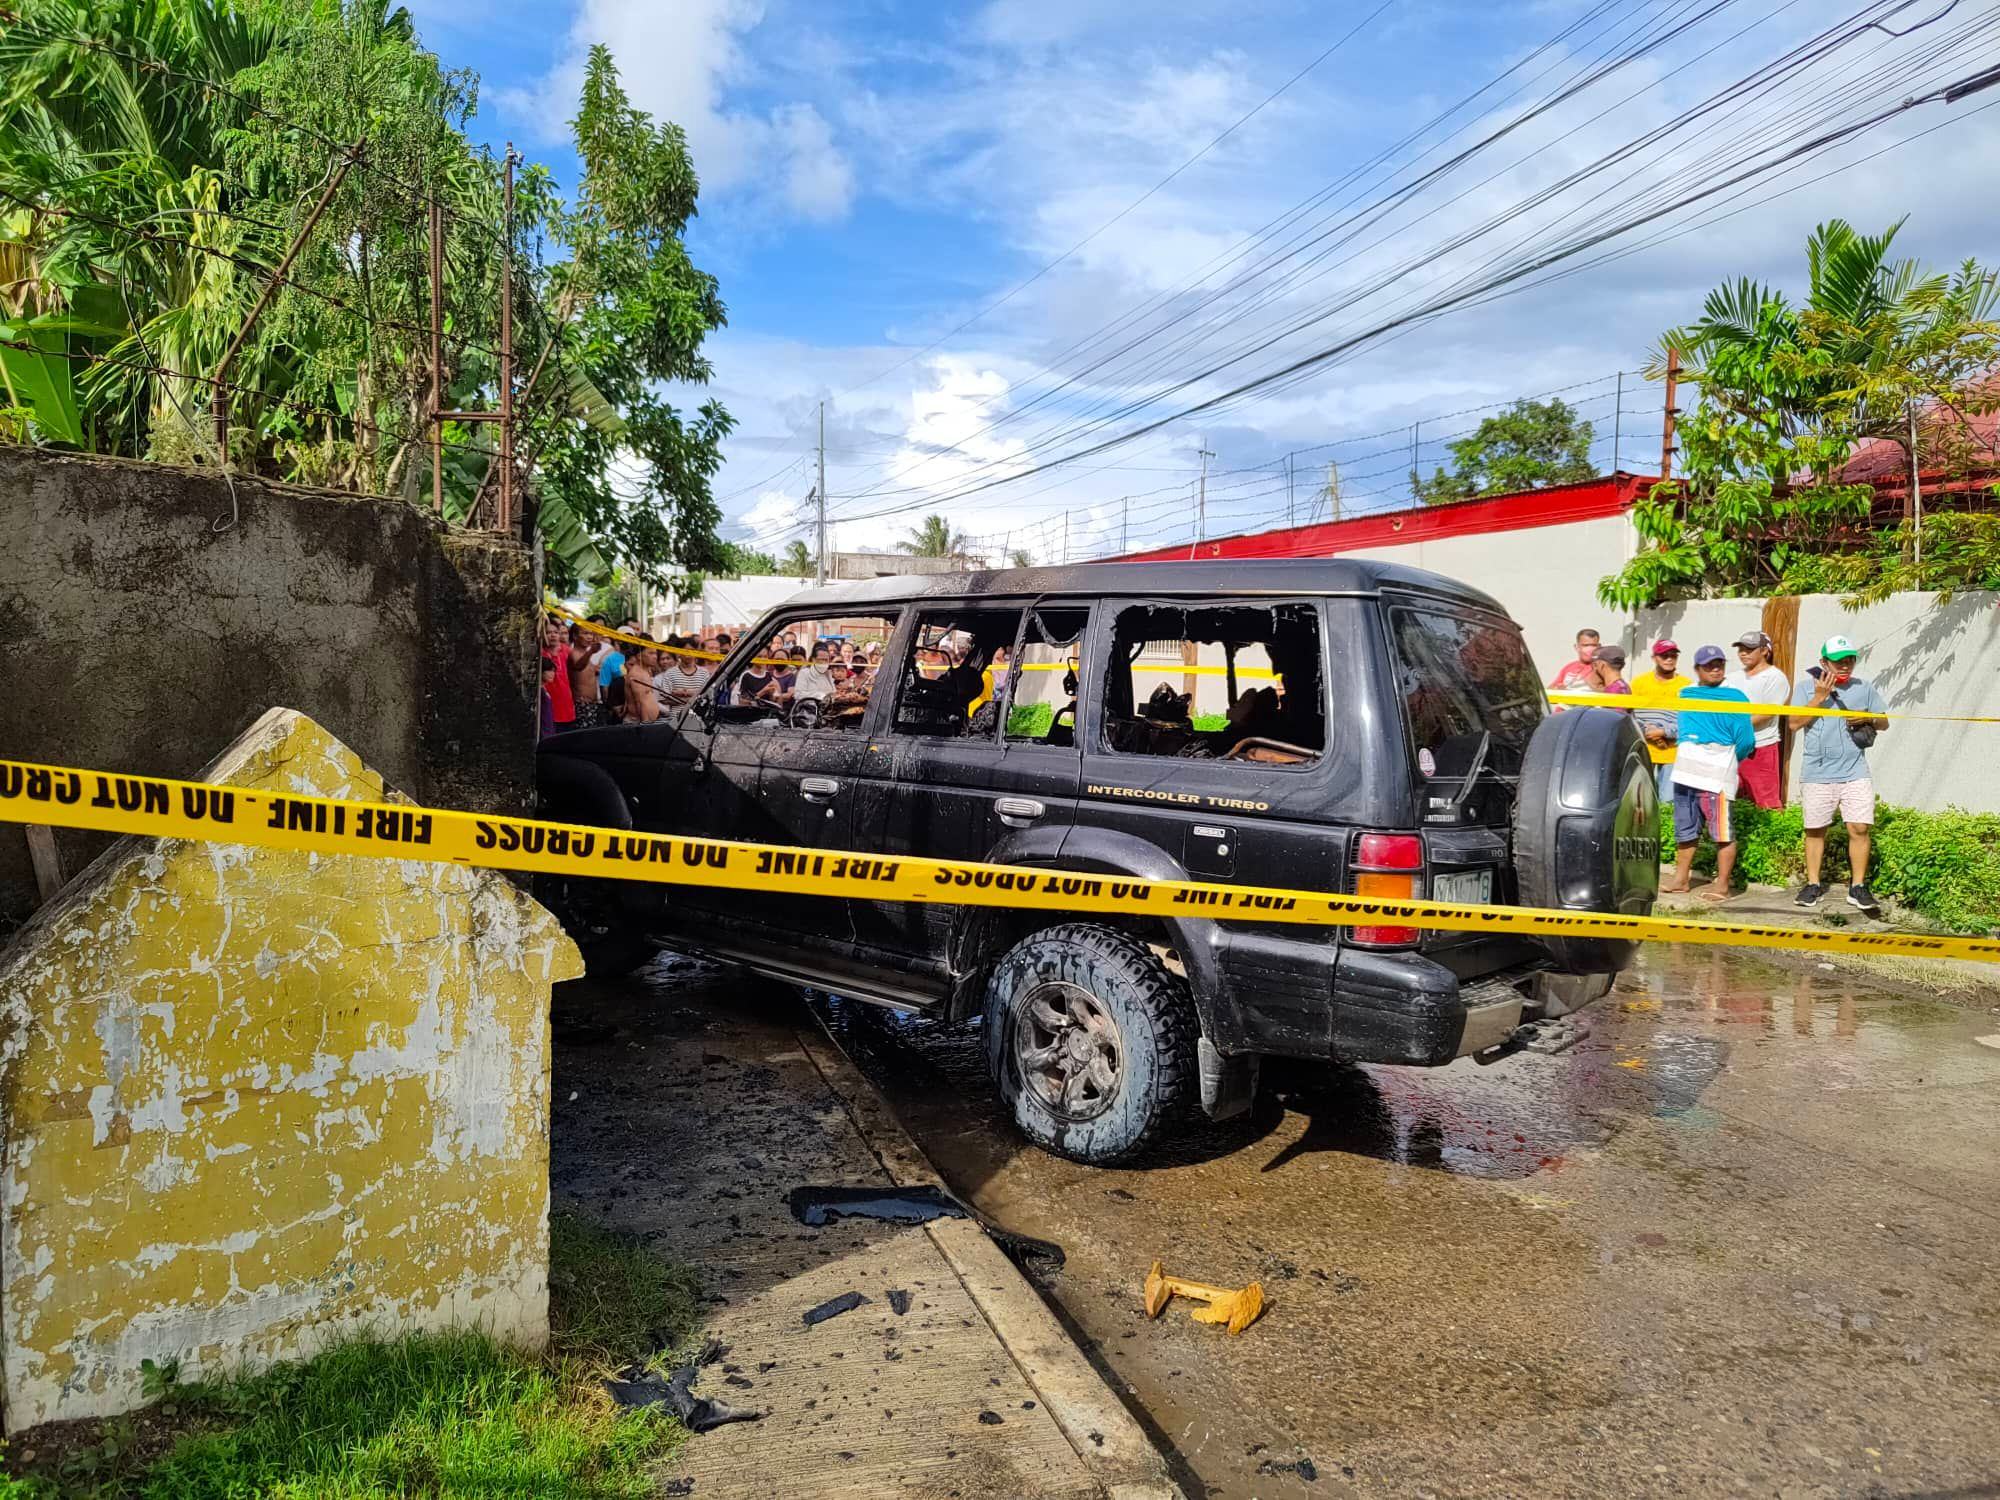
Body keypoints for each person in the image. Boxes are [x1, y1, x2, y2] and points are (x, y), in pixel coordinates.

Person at [1787, 635, 1889, 914]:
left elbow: (1885, 722)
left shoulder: (1863, 687)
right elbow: (1793, 724)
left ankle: (1858, 887)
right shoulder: (1806, 688)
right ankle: (1813, 884)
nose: (1845, 665)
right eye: (1838, 661)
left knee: (1859, 828)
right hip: (1817, 771)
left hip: (1855, 770)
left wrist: (1867, 717)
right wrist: (1819, 698)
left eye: (1850, 660)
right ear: (1823, 662)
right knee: (1815, 829)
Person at [1662, 646, 1756, 899]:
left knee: (1723, 833)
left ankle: (1723, 884)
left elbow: (1746, 740)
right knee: (1685, 829)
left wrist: (1726, 759)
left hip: (1717, 777)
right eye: (1709, 665)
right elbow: (1681, 731)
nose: (1715, 669)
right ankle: (1681, 879)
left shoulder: (1736, 697)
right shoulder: (1686, 694)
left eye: (1719, 664)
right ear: (1697, 669)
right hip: (1684, 772)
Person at [1726, 629, 1791, 810]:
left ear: (1764, 651)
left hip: (1761, 747)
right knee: (1728, 800)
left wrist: (1735, 726)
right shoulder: (1732, 678)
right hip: (1732, 747)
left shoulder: (1775, 677)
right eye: (1741, 649)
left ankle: (1774, 837)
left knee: (1767, 803)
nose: (1743, 653)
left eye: (1749, 648)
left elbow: (1768, 712)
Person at [1626, 640, 1691, 801]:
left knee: (1668, 801)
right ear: (1654, 658)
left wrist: (1663, 732)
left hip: (1672, 753)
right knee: (1641, 800)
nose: (1669, 659)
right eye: (1664, 656)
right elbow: (1628, 714)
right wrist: (1647, 732)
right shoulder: (1639, 683)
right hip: (1644, 750)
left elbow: (1689, 721)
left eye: (1673, 655)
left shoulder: (1687, 686)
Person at [569, 623, 607, 728]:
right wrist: (591, 652)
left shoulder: (585, 653)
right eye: (585, 633)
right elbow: (578, 666)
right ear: (575, 636)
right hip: (582, 704)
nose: (590, 637)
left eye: (591, 633)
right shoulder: (573, 652)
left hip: (593, 704)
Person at [541, 616, 575, 733]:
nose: (553, 635)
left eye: (556, 632)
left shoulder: (567, 650)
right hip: (548, 706)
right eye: (548, 632)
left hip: (567, 706)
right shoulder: (540, 653)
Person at [1548, 628, 1602, 698]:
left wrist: (1594, 687)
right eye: (1585, 645)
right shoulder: (1569, 667)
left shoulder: (1603, 667)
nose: (1589, 649)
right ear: (1576, 647)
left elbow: (1614, 691)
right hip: (1565, 707)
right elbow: (1549, 692)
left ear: (1599, 647)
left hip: (1591, 707)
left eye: (1593, 645)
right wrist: (1559, 690)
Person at [623, 637, 660, 723]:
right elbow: (640, 702)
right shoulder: (637, 674)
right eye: (651, 653)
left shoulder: (645, 670)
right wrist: (645, 725)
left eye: (655, 653)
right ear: (639, 656)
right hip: (638, 723)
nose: (655, 657)